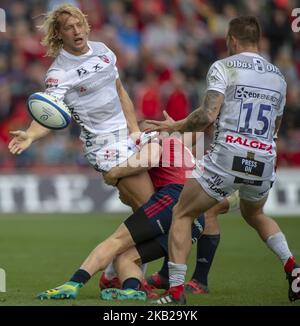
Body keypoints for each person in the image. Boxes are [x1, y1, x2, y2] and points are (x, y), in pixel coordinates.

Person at [147, 16, 300, 304]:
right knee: (255, 214)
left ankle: (176, 292)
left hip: (228, 156)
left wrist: (176, 126)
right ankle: (292, 266)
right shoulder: (279, 76)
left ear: (232, 40)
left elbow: (207, 115)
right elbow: (276, 126)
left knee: (183, 213)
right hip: (263, 160)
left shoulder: (224, 67)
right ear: (258, 40)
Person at [36, 123, 232, 302]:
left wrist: (114, 173)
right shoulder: (180, 144)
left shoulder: (153, 140)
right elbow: (197, 128)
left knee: (116, 241)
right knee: (125, 257)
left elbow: (148, 160)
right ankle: (132, 290)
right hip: (195, 216)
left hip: (172, 198)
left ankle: (73, 284)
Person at [8, 4, 154, 212]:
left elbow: (120, 92)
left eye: (79, 24)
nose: (76, 31)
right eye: (69, 27)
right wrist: (31, 135)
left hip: (127, 136)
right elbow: (48, 114)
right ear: (58, 33)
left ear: (86, 27)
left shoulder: (103, 51)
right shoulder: (58, 73)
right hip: (103, 144)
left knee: (160, 205)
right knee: (153, 211)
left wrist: (136, 131)